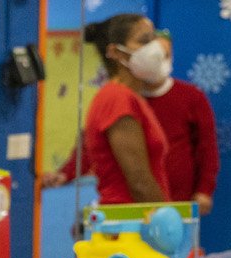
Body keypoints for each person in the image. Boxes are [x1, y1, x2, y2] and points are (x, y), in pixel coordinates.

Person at [42, 29, 220, 213]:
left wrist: (204, 190)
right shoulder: (122, 100)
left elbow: (207, 148)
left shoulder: (192, 97)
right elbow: (90, 146)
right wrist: (66, 173)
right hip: (137, 204)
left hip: (180, 198)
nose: (157, 61)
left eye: (163, 56)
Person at [70, 13, 173, 205]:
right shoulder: (117, 99)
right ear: (117, 53)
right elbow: (139, 182)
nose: (155, 48)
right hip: (129, 221)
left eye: (154, 38)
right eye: (144, 41)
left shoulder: (133, 97)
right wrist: (167, 224)